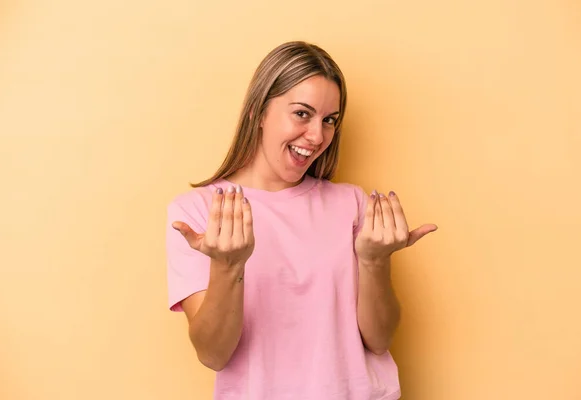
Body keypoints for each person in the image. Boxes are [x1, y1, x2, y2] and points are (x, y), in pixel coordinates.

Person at [165, 41, 437, 400]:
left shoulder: (353, 203)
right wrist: (228, 267)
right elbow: (214, 354)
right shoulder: (199, 212)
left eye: (329, 120)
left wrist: (375, 261)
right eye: (302, 114)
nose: (317, 136)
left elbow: (379, 339)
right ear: (258, 112)